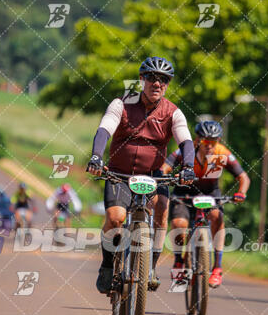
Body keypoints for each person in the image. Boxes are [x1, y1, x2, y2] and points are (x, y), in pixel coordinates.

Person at [87, 56, 195, 294]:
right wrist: (96, 156)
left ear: (167, 84)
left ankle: (151, 267)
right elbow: (105, 129)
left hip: (153, 176)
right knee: (115, 218)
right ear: (141, 79)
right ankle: (107, 265)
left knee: (162, 209)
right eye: (152, 78)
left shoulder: (173, 112)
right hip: (119, 174)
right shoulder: (121, 104)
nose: (157, 84)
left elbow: (186, 140)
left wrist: (188, 166)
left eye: (163, 80)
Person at [161, 120, 250, 288]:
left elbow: (244, 177)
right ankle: (179, 261)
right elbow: (165, 167)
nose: (209, 145)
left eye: (213, 141)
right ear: (197, 140)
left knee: (217, 216)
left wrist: (241, 193)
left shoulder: (222, 153)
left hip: (210, 195)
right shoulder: (186, 152)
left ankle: (217, 267)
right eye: (205, 141)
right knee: (179, 225)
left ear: (218, 141)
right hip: (184, 194)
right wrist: (165, 179)